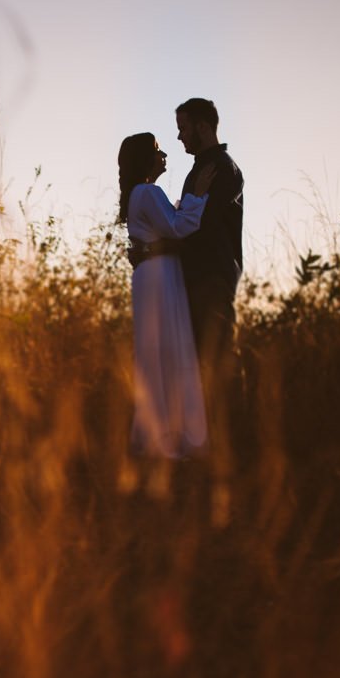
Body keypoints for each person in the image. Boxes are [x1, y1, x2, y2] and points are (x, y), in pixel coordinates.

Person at [118, 133, 209, 459]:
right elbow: (177, 227)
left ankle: (159, 432)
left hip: (152, 273)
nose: (164, 155)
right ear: (145, 158)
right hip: (159, 276)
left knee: (155, 352)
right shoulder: (147, 192)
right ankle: (171, 435)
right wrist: (197, 197)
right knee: (169, 348)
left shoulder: (139, 194)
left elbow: (167, 230)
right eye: (158, 151)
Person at [171, 98, 243, 436]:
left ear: (202, 127)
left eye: (184, 128)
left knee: (219, 361)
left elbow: (199, 224)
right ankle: (205, 441)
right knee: (199, 364)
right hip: (194, 280)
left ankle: (232, 442)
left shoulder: (222, 170)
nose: (180, 137)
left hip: (212, 279)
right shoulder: (200, 169)